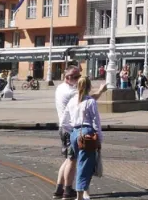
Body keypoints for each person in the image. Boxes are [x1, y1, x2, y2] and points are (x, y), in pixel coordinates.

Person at [54, 67, 107, 200]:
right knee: (75, 162)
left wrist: (69, 130)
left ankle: (59, 189)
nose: (78, 79)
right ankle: (70, 191)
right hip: (78, 131)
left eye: (79, 76)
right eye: (76, 77)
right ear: (67, 78)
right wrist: (100, 91)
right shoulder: (74, 94)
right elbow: (90, 101)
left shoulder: (60, 88)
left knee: (69, 159)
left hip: (68, 129)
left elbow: (66, 118)